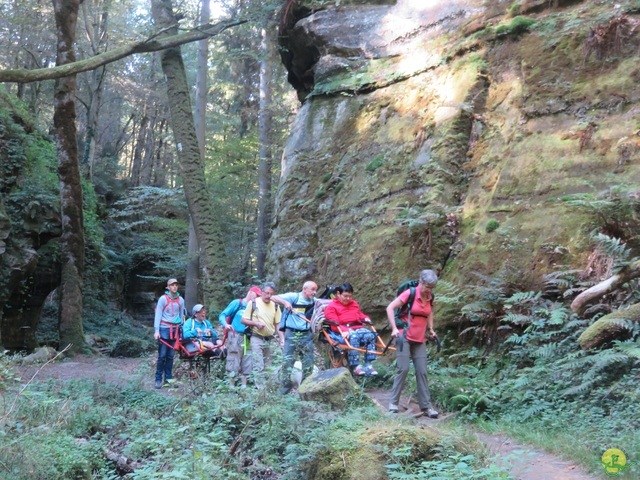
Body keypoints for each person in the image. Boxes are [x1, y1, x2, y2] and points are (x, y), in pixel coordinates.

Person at [386, 269, 439, 418]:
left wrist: (431, 329)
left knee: (422, 372)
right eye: (426, 286)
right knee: (402, 369)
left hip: (420, 339)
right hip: (404, 337)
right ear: (420, 282)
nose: (428, 290)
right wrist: (394, 328)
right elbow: (390, 308)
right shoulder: (409, 293)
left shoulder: (430, 297)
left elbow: (429, 312)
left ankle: (426, 406)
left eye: (431, 288)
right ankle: (393, 403)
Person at [273, 280, 318, 394]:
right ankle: (285, 388)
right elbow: (273, 297)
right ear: (304, 289)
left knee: (308, 362)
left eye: (315, 290)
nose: (315, 292)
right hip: (291, 333)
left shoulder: (315, 301)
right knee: (288, 360)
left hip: (306, 334)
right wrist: (285, 302)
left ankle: (305, 388)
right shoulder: (294, 297)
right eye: (312, 290)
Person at [324, 283, 378, 376]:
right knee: (354, 336)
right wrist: (345, 330)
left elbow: (359, 315)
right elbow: (333, 323)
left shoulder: (354, 304)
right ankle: (356, 365)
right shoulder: (332, 307)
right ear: (338, 294)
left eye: (350, 296)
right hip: (343, 329)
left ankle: (368, 364)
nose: (348, 299)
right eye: (345, 296)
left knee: (370, 335)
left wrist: (365, 318)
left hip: (357, 327)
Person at [218, 286, 262, 388]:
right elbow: (222, 315)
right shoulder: (238, 303)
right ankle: (231, 385)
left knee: (247, 359)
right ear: (251, 293)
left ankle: (244, 386)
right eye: (257, 295)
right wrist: (225, 325)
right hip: (235, 335)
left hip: (248, 336)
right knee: (233, 358)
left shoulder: (255, 307)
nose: (257, 298)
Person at [241, 282, 283, 388]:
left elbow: (278, 324)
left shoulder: (276, 305)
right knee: (258, 363)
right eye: (267, 293)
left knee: (268, 364)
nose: (268, 296)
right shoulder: (253, 303)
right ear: (262, 292)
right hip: (256, 337)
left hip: (269, 339)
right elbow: (243, 320)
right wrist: (256, 323)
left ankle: (267, 388)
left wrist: (282, 338)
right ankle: (260, 388)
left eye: (271, 294)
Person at [153, 278, 187, 389]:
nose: (174, 287)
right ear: (168, 287)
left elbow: (182, 315)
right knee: (162, 355)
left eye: (176, 285)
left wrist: (182, 330)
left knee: (170, 356)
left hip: (175, 330)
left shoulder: (180, 300)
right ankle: (158, 379)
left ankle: (168, 379)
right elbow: (158, 314)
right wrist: (156, 331)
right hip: (164, 328)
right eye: (172, 285)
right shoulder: (163, 299)